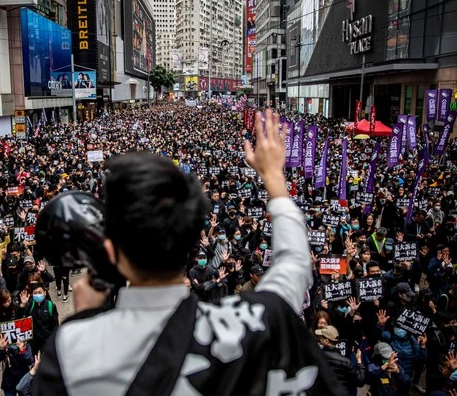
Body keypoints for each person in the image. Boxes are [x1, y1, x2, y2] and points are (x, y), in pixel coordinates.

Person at [33, 110, 338, 394]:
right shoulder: (257, 320)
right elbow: (294, 264)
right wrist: (273, 177)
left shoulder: (71, 351)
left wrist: (85, 320)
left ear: (111, 250)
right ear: (192, 237)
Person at [316, 325, 366, 395]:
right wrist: (359, 361)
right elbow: (360, 381)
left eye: (321, 338)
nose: (320, 339)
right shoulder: (346, 362)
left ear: (326, 341)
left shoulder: (316, 357)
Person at [16, 283, 58, 356]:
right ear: (32, 294)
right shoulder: (30, 305)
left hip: (46, 339)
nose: (37, 295)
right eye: (35, 293)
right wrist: (22, 305)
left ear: (44, 293)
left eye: (39, 292)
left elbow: (55, 325)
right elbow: (18, 318)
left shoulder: (50, 306)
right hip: (33, 340)